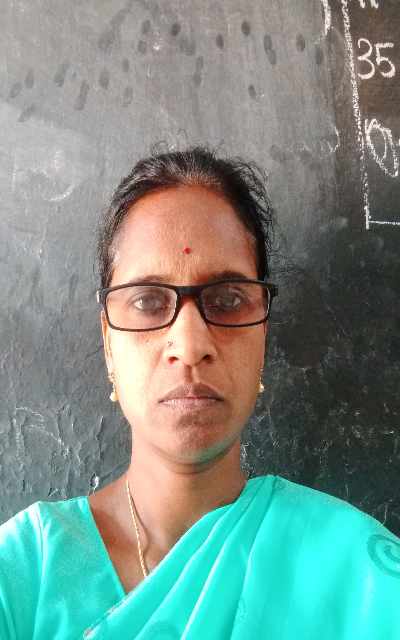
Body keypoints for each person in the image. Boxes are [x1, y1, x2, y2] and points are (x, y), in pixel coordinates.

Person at [0, 146, 399, 639]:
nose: (190, 346)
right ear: (108, 344)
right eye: (148, 301)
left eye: (228, 300)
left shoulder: (357, 579)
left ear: (263, 334)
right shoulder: (23, 576)